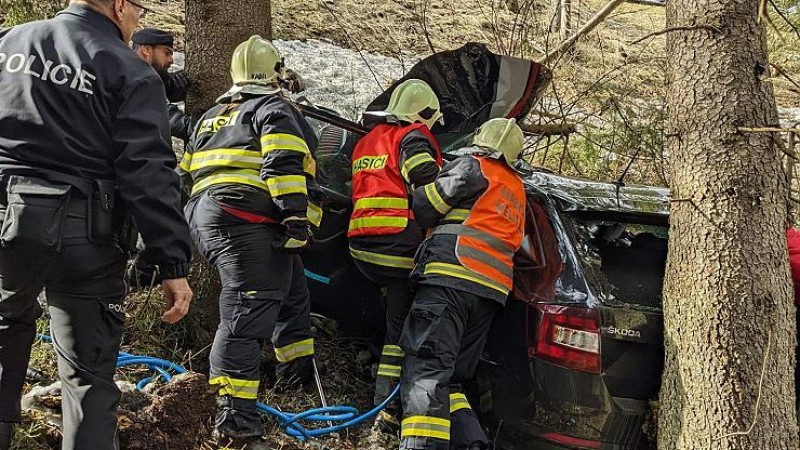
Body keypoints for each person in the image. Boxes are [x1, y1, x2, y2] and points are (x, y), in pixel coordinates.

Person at [0, 0, 194, 449]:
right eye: (139, 12)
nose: (137, 22)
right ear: (119, 5)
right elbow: (148, 173)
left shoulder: (11, 41)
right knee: (88, 378)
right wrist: (172, 263)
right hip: (86, 235)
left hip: (7, 223)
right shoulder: (130, 70)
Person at [179, 35, 320, 450]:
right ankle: (234, 421)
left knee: (291, 295)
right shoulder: (273, 108)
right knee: (245, 312)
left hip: (206, 216)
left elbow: (187, 168)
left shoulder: (212, 116)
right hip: (246, 219)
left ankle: (296, 378)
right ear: (275, 73)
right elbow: (282, 161)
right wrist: (295, 214)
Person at [398, 118, 527, 450]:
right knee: (451, 377)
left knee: (427, 369)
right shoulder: (516, 190)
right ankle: (472, 443)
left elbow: (426, 207)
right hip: (490, 295)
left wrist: (419, 182)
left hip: (450, 281)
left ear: (481, 142)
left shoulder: (473, 167)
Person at [347, 78, 443, 432]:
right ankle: (385, 408)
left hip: (361, 248)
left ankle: (374, 374)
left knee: (389, 315)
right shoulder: (414, 136)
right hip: (398, 248)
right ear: (423, 114)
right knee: (399, 334)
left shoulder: (368, 140)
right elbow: (424, 177)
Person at [131, 27, 193, 141]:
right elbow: (172, 121)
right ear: (147, 50)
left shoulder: (128, 72)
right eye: (166, 53)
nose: (171, 60)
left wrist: (173, 90)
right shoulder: (139, 79)